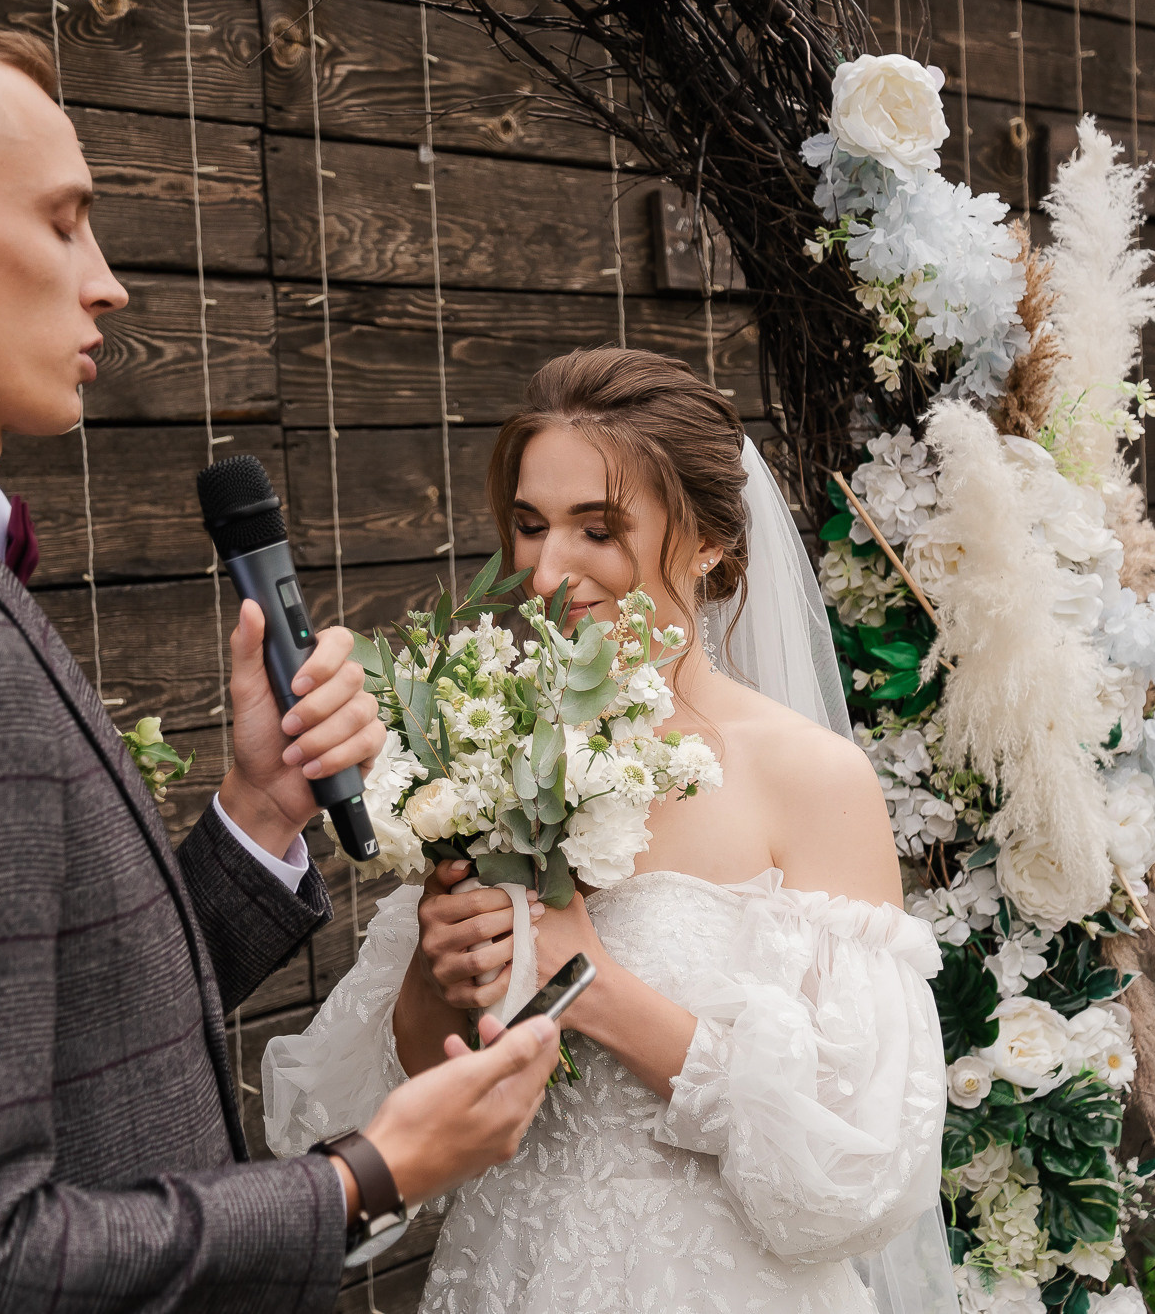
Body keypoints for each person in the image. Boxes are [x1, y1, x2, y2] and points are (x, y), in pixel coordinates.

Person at [0, 6, 563, 1314]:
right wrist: (366, 1170)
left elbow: (59, 1033)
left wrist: (258, 809)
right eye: (65, 218)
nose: (109, 280)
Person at [262, 348, 958, 1313]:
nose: (548, 571)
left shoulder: (810, 777)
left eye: (599, 528)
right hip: (508, 1271)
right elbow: (394, 1099)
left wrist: (592, 987)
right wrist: (439, 967)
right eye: (530, 525)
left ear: (711, 540)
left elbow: (858, 1173)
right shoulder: (490, 737)